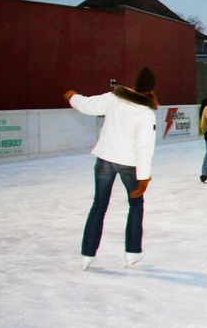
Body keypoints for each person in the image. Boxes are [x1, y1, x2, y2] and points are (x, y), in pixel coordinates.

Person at [66, 65, 158, 271]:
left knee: (98, 205)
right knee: (136, 205)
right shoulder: (145, 113)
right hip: (128, 163)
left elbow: (87, 105)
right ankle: (132, 252)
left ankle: (87, 254)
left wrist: (72, 97)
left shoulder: (114, 98)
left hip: (105, 158)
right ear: (151, 89)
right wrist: (143, 177)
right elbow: (144, 148)